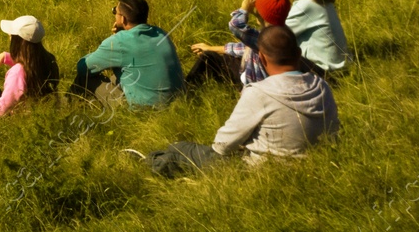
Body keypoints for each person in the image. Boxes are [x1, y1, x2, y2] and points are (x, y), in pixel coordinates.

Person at [137, 25, 340, 176]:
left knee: (181, 149)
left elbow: (222, 146)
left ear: (261, 58)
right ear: (298, 54)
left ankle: (145, 162)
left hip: (261, 171)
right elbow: (333, 133)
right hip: (312, 166)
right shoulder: (321, 86)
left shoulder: (259, 92)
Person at [71, 0, 185, 108]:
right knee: (115, 77)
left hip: (146, 111)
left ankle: (65, 108)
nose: (114, 13)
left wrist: (112, 42)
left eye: (115, 11)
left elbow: (83, 68)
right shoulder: (161, 33)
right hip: (178, 103)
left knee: (84, 79)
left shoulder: (118, 42)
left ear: (123, 19)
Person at [0, 15, 60, 122]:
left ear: (19, 41)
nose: (9, 36)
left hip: (16, 120)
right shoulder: (49, 60)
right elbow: (32, 64)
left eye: (11, 36)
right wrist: (6, 56)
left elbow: (1, 110)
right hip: (36, 116)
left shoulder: (17, 73)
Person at [188, 0, 290, 87]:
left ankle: (184, 90)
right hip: (257, 79)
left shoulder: (265, 39)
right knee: (212, 54)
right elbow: (244, 48)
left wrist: (244, 10)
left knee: (208, 58)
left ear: (263, 15)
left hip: (254, 87)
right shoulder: (283, 34)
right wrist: (210, 48)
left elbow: (235, 25)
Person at [284, 0, 348, 75]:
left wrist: (261, 18)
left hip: (323, 70)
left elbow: (277, 37)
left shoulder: (306, 5)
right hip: (338, 65)